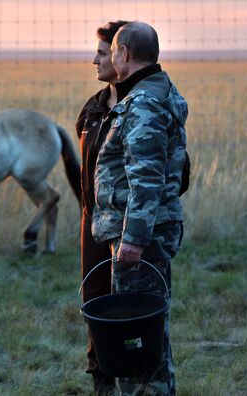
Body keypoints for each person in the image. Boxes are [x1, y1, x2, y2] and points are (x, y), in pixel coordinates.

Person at [91, 21, 188, 395]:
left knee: (136, 338)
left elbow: (145, 178)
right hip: (148, 232)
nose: (109, 57)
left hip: (139, 240)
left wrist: (132, 239)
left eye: (112, 51)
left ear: (125, 55)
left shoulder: (143, 103)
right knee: (150, 334)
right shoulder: (157, 92)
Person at [76, 20, 129, 395]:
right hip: (91, 222)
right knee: (94, 301)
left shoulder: (142, 108)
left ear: (120, 55)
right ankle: (102, 378)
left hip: (129, 228)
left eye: (100, 52)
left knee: (130, 306)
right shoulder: (92, 109)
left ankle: (136, 376)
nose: (94, 60)